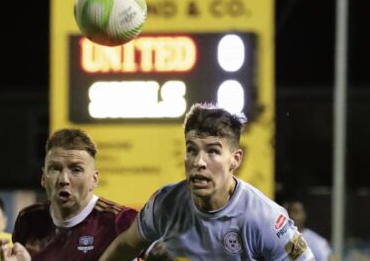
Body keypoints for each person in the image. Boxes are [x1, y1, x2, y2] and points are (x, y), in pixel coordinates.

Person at [100, 102, 316, 260]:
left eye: (213, 151)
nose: (199, 162)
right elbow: (126, 245)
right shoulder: (165, 204)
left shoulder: (266, 218)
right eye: (191, 150)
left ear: (235, 159)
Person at [0, 128, 163, 261]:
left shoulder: (121, 221)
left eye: (76, 169)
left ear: (94, 179)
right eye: (55, 168)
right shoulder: (28, 220)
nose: (63, 179)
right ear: (43, 177)